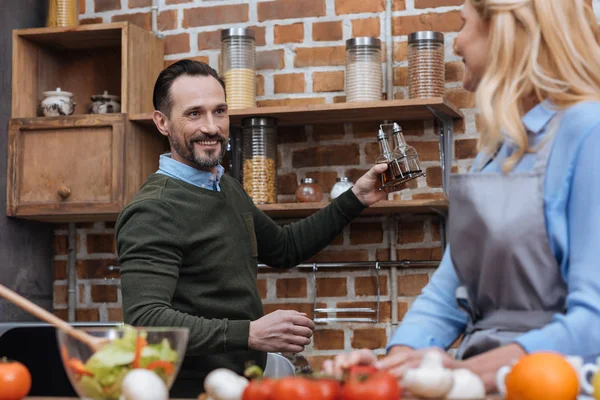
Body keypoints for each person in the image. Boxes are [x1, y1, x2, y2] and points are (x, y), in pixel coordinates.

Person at [324, 0, 600, 393]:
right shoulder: (496, 152)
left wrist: (459, 371)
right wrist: (395, 365)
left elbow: (594, 324)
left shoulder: (589, 132)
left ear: (507, 31)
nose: (456, 44)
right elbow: (448, 289)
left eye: (463, 25)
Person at [115, 59, 388, 396]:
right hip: (190, 391)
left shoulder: (225, 187)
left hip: (244, 383)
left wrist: (357, 197)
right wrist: (250, 333)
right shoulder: (153, 208)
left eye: (220, 111)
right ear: (162, 122)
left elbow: (285, 247)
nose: (212, 127)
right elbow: (146, 321)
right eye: (194, 114)